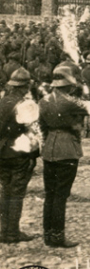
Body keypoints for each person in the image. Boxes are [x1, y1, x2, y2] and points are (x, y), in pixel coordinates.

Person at [39, 65, 90, 247]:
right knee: (61, 195)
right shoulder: (70, 102)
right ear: (68, 84)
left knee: (50, 193)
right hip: (67, 149)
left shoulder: (44, 100)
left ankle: (48, 233)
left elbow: (42, 126)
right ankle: (58, 235)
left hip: (50, 148)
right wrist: (87, 92)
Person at [0, 68, 39, 243]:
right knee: (16, 193)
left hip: (2, 151)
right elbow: (33, 132)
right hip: (19, 153)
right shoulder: (26, 104)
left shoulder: (2, 102)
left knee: (5, 190)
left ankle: (3, 230)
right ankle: (12, 233)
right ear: (24, 87)